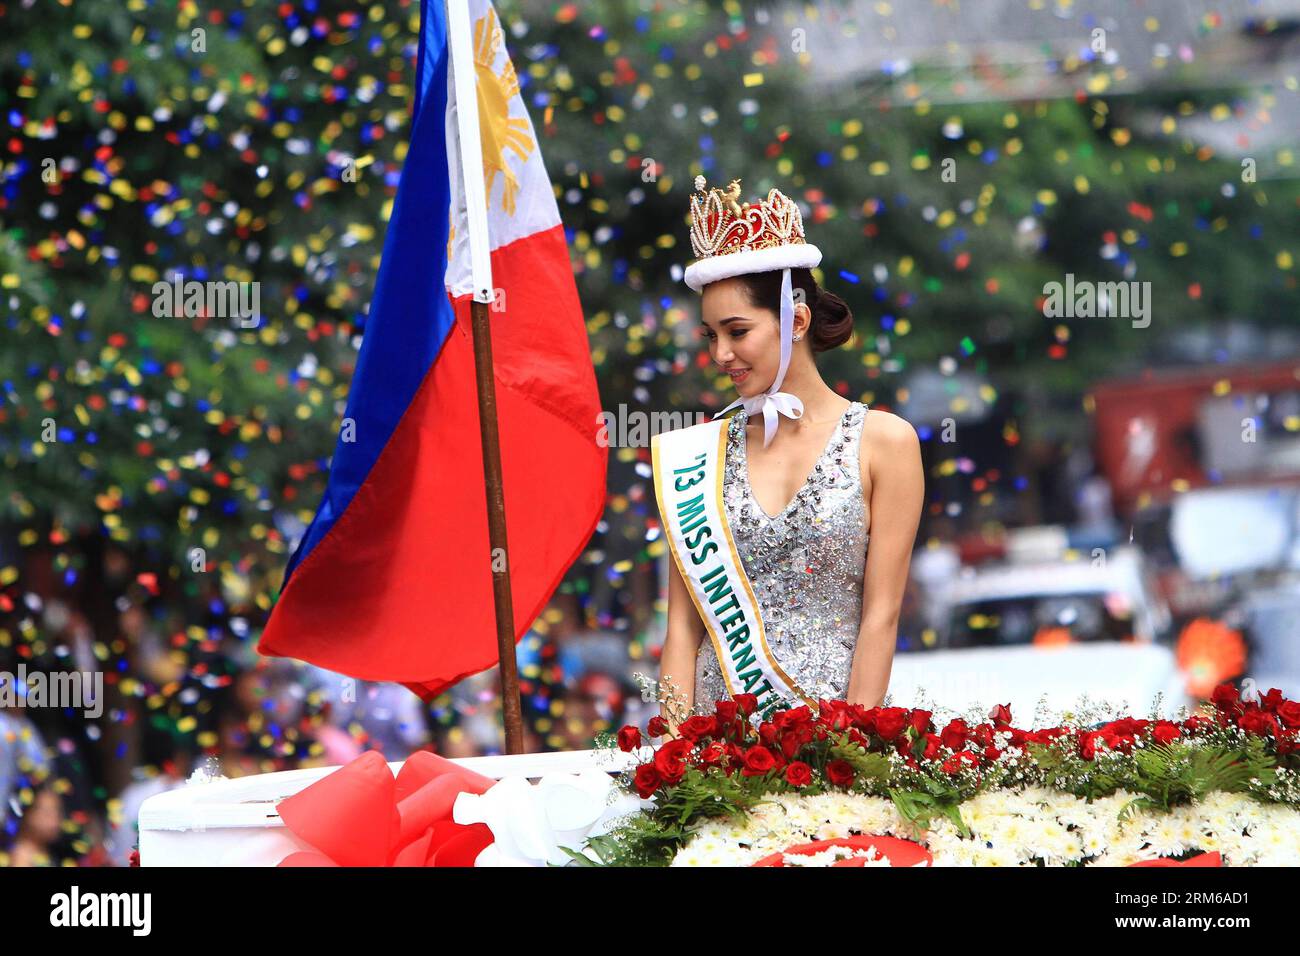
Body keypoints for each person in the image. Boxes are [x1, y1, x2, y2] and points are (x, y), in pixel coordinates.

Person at [653, 176, 924, 729]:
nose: (722, 353)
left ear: (796, 321)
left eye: (737, 330)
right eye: (710, 335)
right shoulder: (697, 453)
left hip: (831, 742)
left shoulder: (885, 442)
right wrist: (677, 754)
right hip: (719, 749)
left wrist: (849, 751)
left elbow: (881, 615)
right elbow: (682, 629)